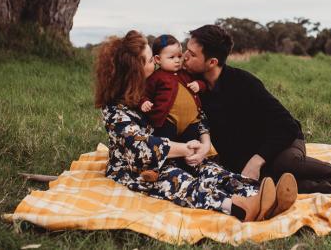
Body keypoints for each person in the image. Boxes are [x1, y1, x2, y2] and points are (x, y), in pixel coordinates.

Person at [94, 30, 297, 221]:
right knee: (178, 180)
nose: (155, 63)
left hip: (175, 154)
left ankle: (261, 196)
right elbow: (140, 148)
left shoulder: (153, 88)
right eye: (149, 60)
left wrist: (203, 144)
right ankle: (238, 207)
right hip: (137, 168)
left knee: (211, 170)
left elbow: (194, 113)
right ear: (134, 71)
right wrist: (184, 148)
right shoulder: (114, 108)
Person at [184, 25, 331, 202]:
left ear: (212, 62)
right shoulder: (192, 85)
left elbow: (286, 126)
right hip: (243, 160)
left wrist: (257, 160)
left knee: (285, 164)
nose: (184, 56)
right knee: (278, 184)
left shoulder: (244, 83)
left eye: (192, 54)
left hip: (281, 143)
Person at [140, 34, 205, 144]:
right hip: (167, 121)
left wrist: (199, 85)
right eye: (171, 57)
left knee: (192, 146)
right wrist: (144, 101)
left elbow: (203, 83)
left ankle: (190, 159)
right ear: (158, 59)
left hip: (191, 122)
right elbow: (144, 93)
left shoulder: (186, 73)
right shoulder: (156, 77)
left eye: (179, 56)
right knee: (167, 145)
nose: (177, 60)